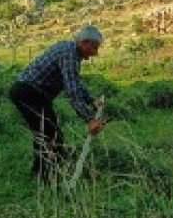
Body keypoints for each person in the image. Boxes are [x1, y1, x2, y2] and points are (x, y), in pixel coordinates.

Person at [8, 26, 108, 182]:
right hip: (28, 93)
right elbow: (72, 91)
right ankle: (45, 178)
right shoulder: (69, 54)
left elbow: (75, 82)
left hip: (36, 96)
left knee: (48, 134)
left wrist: (91, 100)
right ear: (84, 42)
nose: (95, 53)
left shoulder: (70, 51)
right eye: (94, 48)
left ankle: (42, 173)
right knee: (49, 135)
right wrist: (90, 119)